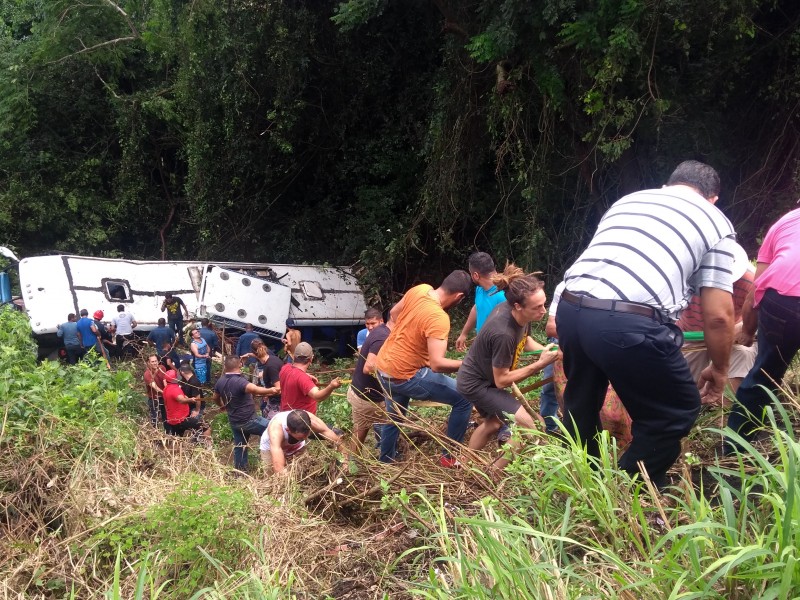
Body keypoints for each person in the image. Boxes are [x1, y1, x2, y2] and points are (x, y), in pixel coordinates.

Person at [555, 160, 737, 488]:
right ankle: (629, 493)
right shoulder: (715, 221)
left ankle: (586, 490)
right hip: (625, 321)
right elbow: (719, 315)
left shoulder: (629, 201)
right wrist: (720, 370)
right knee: (676, 410)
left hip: (569, 309)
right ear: (713, 198)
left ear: (669, 184)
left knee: (581, 405)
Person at [458, 265, 559, 469]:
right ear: (517, 305)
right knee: (531, 425)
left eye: (544, 304)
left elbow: (526, 340)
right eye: (537, 307)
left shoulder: (521, 315)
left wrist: (551, 354)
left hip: (482, 379)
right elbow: (502, 380)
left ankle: (464, 465)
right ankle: (494, 473)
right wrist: (540, 364)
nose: (543, 311)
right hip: (477, 384)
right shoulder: (503, 332)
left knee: (493, 424)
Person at [375, 270, 473, 466]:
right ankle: (449, 457)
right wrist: (469, 365)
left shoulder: (421, 289)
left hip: (384, 366)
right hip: (405, 375)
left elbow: (393, 314)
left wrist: (403, 344)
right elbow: (437, 364)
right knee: (464, 398)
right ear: (459, 296)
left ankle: (385, 460)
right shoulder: (439, 317)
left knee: (395, 416)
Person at [726, 207, 800, 452]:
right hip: (786, 299)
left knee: (765, 373)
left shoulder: (786, 221)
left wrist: (748, 330)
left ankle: (736, 448)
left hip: (782, 302)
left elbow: (755, 292)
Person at [677, 243, 756, 400]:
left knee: (743, 355)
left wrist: (743, 328)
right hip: (690, 333)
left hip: (730, 335)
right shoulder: (682, 276)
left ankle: (723, 410)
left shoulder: (750, 280)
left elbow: (761, 313)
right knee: (684, 382)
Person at [212, 355, 279, 470]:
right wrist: (271, 390)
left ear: (225, 366)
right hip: (249, 420)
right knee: (275, 429)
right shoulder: (239, 382)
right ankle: (274, 462)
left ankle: (240, 472)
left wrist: (222, 405)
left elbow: (215, 397)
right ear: (239, 365)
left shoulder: (220, 381)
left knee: (240, 446)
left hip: (234, 421)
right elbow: (254, 389)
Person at [348, 308, 390, 447]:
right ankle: (352, 463)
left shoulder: (379, 334)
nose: (370, 327)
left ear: (381, 321)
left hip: (369, 392)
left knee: (378, 426)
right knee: (363, 430)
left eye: (373, 323)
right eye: (368, 324)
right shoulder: (379, 336)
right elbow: (369, 365)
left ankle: (383, 450)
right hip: (367, 394)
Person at [259, 409, 344, 475]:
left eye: (307, 435)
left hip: (296, 447)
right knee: (273, 478)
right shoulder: (276, 429)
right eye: (301, 437)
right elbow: (278, 468)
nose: (306, 438)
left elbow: (337, 440)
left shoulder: (312, 421)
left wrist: (345, 461)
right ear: (288, 430)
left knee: (300, 472)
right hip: (271, 449)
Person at [455, 252, 507, 352]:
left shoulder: (503, 295)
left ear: (475, 275)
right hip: (482, 346)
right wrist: (464, 334)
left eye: (470, 273)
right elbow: (477, 308)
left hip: (496, 350)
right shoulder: (480, 289)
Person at [279, 342, 341, 414]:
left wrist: (306, 375)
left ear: (294, 356)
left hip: (285, 416)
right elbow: (317, 396)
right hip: (300, 421)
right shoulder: (303, 378)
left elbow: (294, 375)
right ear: (311, 359)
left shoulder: (285, 368)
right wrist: (331, 386)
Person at [161, 369, 210, 440]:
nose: (179, 377)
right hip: (180, 420)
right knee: (206, 426)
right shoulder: (174, 389)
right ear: (174, 379)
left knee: (182, 437)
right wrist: (190, 399)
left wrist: (186, 397)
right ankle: (209, 446)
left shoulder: (166, 388)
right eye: (177, 376)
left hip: (172, 420)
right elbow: (181, 400)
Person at [241, 339, 282, 419]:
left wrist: (261, 393)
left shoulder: (270, 366)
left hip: (278, 402)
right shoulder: (272, 358)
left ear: (254, 353)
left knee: (270, 423)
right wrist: (248, 354)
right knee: (263, 409)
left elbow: (279, 389)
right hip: (273, 399)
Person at [143, 354, 167, 427]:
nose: (155, 363)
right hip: (154, 398)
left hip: (163, 396)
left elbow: (165, 380)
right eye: (152, 361)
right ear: (148, 363)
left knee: (165, 415)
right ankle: (155, 429)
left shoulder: (162, 368)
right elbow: (155, 387)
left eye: (156, 361)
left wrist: (167, 391)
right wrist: (164, 392)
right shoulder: (147, 374)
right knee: (154, 416)